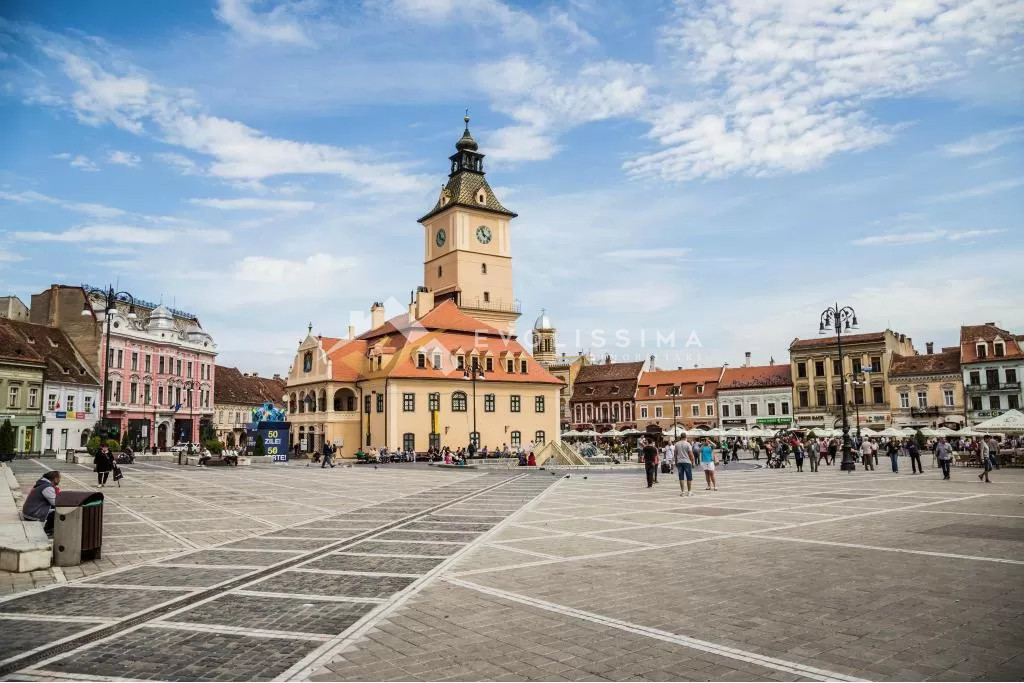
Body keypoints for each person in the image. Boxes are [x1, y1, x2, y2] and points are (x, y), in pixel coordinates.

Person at [22, 471, 60, 536]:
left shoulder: (41, 484)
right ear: (55, 479)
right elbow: (55, 503)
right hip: (33, 514)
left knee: (54, 508)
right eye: (59, 478)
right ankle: (48, 530)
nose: (59, 480)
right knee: (58, 512)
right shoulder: (47, 487)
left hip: (28, 512)